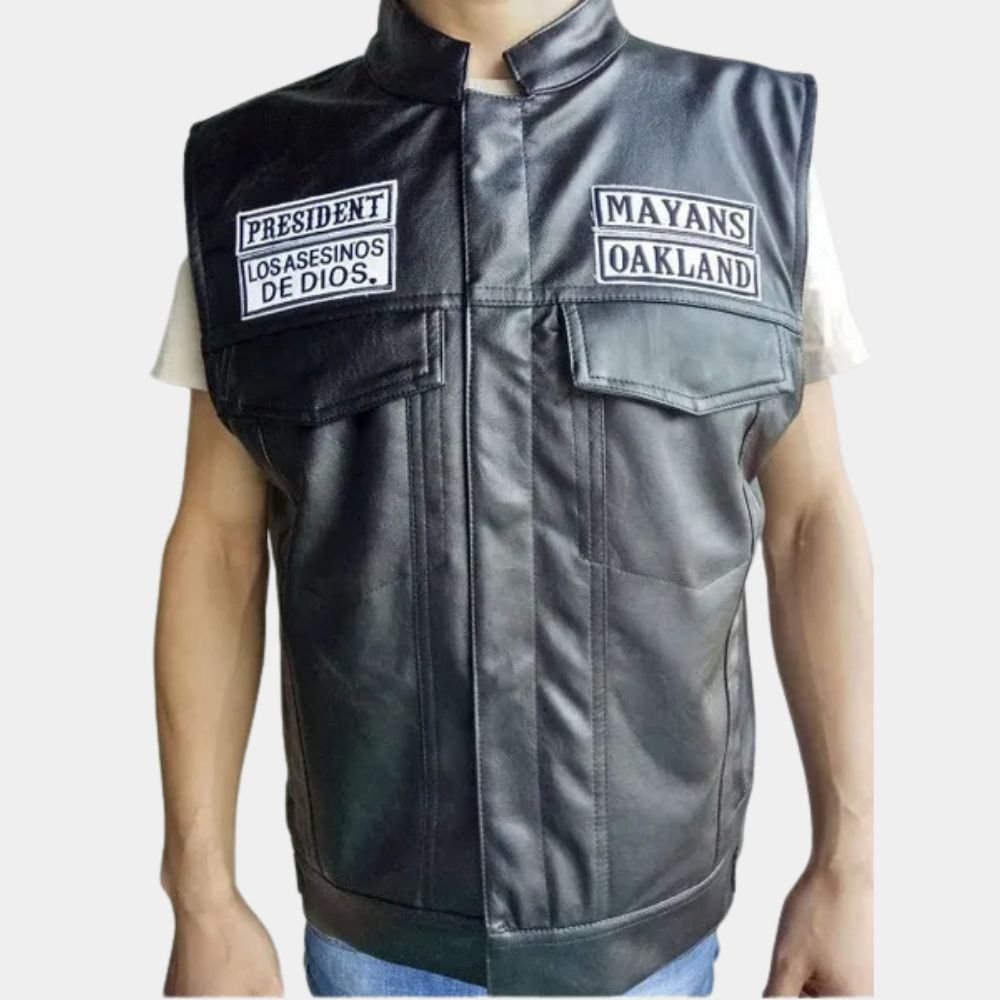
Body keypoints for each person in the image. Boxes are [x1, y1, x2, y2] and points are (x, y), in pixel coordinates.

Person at [152, 0, 873, 995]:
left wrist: (848, 863)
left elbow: (808, 521)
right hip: (377, 947)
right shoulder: (263, 172)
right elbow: (218, 543)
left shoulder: (742, 143)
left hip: (653, 947)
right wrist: (200, 892)